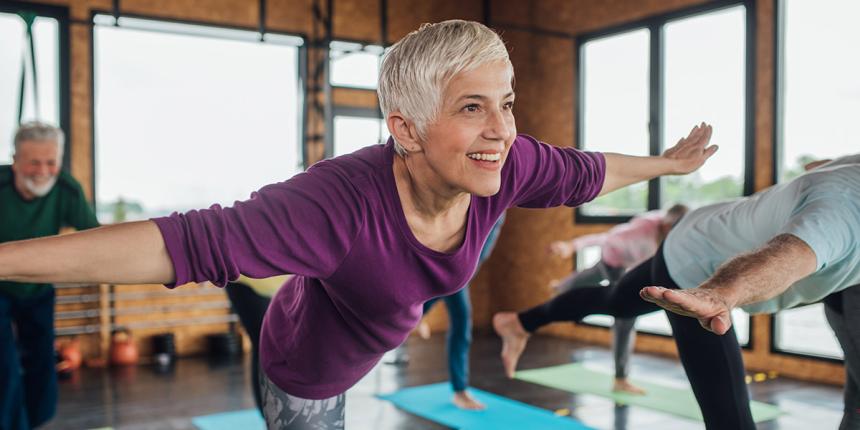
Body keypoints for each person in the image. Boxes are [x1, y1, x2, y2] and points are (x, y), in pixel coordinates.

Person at [0, 20, 715, 430]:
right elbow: (183, 242)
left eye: (507, 101)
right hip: (303, 372)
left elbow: (590, 170)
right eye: (472, 107)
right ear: (405, 127)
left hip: (347, 324)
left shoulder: (509, 164)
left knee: (281, 296)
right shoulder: (335, 203)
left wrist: (666, 164)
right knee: (266, 311)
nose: (501, 128)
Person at [494, 154, 860, 430]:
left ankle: (521, 322)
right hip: (694, 264)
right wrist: (719, 294)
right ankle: (522, 322)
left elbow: (820, 166)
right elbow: (785, 257)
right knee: (729, 418)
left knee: (615, 300)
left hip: (705, 227)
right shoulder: (840, 214)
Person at [0, 122, 100, 430]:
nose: (43, 170)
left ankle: (36, 422)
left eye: (51, 162)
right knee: (4, 365)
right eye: (34, 162)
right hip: (0, 287)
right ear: (16, 160)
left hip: (38, 287)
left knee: (43, 360)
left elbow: (94, 237)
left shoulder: (67, 189)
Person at [544, 204, 687, 394]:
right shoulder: (641, 232)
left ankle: (561, 288)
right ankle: (621, 379)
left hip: (627, 263)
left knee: (593, 275)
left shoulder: (673, 232)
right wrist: (572, 245)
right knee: (625, 316)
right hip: (615, 260)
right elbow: (605, 238)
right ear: (666, 225)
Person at [419, 214, 505, 410]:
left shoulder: (500, 203)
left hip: (460, 272)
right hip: (453, 264)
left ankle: (460, 391)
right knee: (462, 323)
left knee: (461, 324)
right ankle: (460, 391)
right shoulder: (477, 196)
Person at [225, 274, 291, 414]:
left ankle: (273, 414)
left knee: (269, 348)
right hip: (247, 280)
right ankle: (268, 414)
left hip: (280, 279)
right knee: (264, 346)